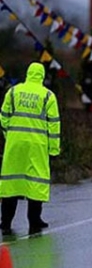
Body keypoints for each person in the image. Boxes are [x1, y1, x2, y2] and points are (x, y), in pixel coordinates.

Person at [0, 62, 61, 235]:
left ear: (27, 74)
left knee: (11, 183)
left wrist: (10, 135)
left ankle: (5, 222)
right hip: (37, 145)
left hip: (15, 144)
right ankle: (34, 221)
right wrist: (54, 150)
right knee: (36, 181)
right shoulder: (48, 96)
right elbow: (54, 125)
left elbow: (3, 117)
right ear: (41, 76)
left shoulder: (13, 91)